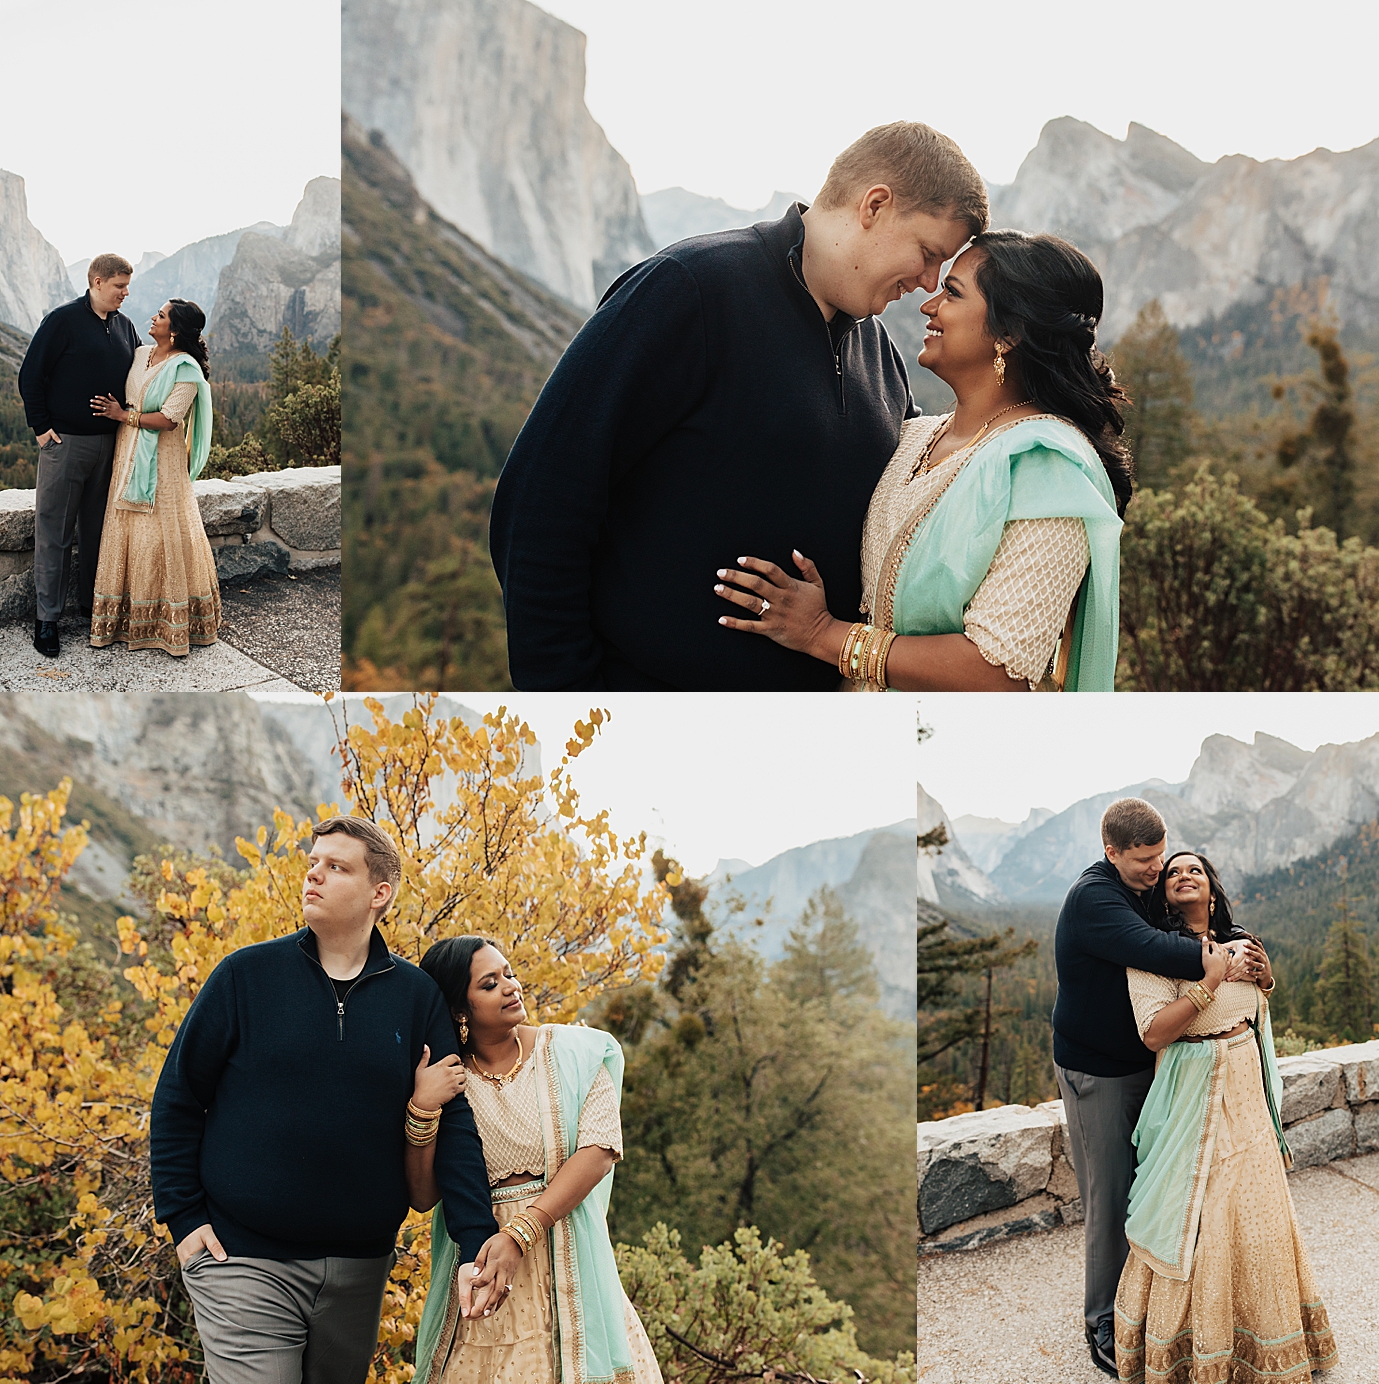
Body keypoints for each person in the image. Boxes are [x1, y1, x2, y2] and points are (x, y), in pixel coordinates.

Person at [490, 121, 989, 691]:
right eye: (928, 254)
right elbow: (540, 505)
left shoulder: (881, 358)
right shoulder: (688, 290)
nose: (929, 283)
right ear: (875, 205)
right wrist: (568, 706)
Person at [149, 817, 508, 1384]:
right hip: (241, 1260)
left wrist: (474, 1240)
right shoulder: (245, 976)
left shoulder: (416, 998)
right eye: (313, 863)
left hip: (359, 1268)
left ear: (378, 894)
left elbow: (455, 1122)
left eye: (336, 867)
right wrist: (181, 1214)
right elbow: (178, 1096)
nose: (313, 874)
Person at [716, 231, 1126, 690]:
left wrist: (822, 635)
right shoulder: (913, 437)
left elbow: (995, 675)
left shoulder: (1047, 468)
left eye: (952, 293)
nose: (928, 306)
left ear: (1010, 333)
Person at [1050, 799, 1259, 1376]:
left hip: (1153, 1066)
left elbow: (1181, 924)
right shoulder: (1094, 897)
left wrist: (1239, 952)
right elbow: (1156, 949)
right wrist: (1221, 961)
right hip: (1101, 1072)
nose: (1156, 868)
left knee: (1154, 1194)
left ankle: (1148, 1308)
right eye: (1144, 859)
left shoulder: (1141, 884)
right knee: (1111, 1196)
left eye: (1161, 855)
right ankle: (1102, 1321)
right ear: (1111, 852)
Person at [1114, 851, 1337, 1382]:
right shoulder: (1152, 953)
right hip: (1192, 1089)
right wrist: (1210, 978)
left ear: (1211, 890)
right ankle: (1194, 1348)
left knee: (1258, 1211)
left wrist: (1266, 979)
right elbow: (1154, 1033)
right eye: (1172, 872)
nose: (1183, 875)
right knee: (1199, 1212)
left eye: (1194, 869)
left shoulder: (1242, 940)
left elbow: (1255, 1013)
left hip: (1245, 1085)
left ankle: (1265, 1340)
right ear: (1163, 894)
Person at [405, 936, 663, 1383]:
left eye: (509, 974)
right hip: (484, 1274)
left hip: (570, 1260)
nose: (510, 987)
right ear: (459, 1010)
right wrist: (423, 1109)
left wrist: (521, 1233)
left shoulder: (577, 1053)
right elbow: (425, 1195)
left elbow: (599, 1152)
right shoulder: (447, 1080)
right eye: (490, 984)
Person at [17, 254, 141, 658]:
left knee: (98, 533)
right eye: (119, 286)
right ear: (97, 281)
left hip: (113, 445)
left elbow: (143, 373)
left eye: (127, 286)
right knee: (55, 532)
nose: (126, 293)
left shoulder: (125, 326)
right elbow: (30, 374)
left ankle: (93, 607)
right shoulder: (62, 320)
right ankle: (47, 621)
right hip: (66, 443)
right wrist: (40, 428)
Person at [88, 299, 222, 655]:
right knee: (127, 528)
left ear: (174, 330)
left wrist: (122, 416)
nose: (153, 317)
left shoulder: (187, 369)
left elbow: (168, 419)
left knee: (162, 530)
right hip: (127, 452)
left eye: (161, 316)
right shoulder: (140, 353)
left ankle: (168, 621)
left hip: (163, 459)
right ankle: (125, 617)